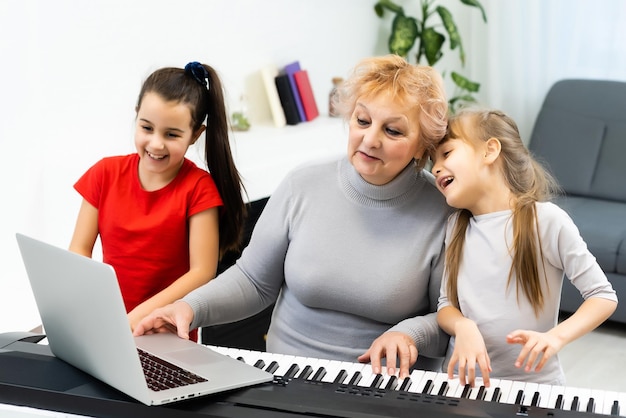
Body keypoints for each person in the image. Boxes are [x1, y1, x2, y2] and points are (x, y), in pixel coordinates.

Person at [134, 54, 453, 379]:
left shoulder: (443, 211)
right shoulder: (303, 185)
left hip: (387, 388)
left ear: (421, 146)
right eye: (362, 121)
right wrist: (189, 308)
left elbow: (451, 318)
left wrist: (410, 333)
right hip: (288, 378)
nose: (370, 140)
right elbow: (254, 281)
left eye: (394, 131)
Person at [430, 108, 618, 387]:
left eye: (446, 154)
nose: (434, 167)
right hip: (463, 383)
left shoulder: (546, 220)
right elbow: (446, 305)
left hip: (535, 386)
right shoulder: (456, 226)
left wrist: (556, 337)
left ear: (490, 151)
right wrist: (462, 325)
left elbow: (603, 296)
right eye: (433, 161)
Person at [69, 62, 247, 340]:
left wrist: (136, 319)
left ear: (195, 135)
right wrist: (93, 310)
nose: (155, 144)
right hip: (107, 325)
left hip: (165, 329)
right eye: (147, 128)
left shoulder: (199, 189)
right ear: (136, 116)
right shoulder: (104, 173)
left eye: (171, 134)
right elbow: (79, 249)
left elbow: (201, 272)